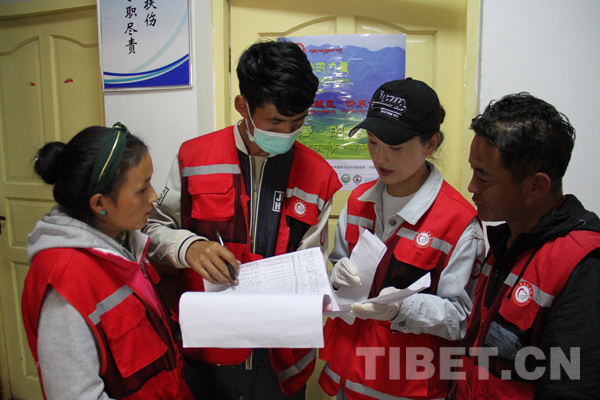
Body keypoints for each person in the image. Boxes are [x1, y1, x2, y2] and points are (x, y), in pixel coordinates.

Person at [143, 40, 342, 399]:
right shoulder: (194, 157)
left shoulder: (319, 175)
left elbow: (312, 264)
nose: (286, 133)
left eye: (298, 122)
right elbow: (151, 230)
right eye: (275, 121)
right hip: (205, 353)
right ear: (243, 106)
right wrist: (189, 248)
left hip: (280, 359)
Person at [318, 78, 486, 400]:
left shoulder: (458, 223)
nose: (381, 158)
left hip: (405, 387)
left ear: (431, 144)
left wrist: (403, 309)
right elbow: (338, 272)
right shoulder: (358, 201)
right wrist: (335, 276)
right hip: (347, 380)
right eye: (373, 142)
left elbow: (463, 320)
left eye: (395, 148)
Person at [21, 123, 193, 400]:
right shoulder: (65, 282)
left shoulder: (124, 242)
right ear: (100, 203)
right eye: (142, 189)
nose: (153, 197)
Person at [455, 93, 600, 399]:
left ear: (536, 186)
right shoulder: (508, 240)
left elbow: (572, 387)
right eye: (472, 170)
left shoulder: (583, 265)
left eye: (484, 178)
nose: (471, 187)